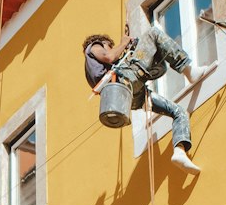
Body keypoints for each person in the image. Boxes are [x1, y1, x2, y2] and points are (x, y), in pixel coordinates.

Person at [83, 25, 215, 173]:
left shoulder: (95, 72)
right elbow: (110, 57)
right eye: (109, 46)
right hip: (126, 82)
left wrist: (130, 49)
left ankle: (179, 152)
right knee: (153, 33)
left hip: (131, 98)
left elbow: (114, 60)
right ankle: (188, 70)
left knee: (179, 111)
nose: (110, 48)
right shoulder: (94, 46)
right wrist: (124, 42)